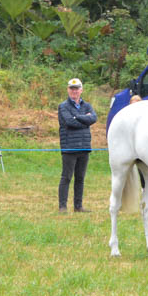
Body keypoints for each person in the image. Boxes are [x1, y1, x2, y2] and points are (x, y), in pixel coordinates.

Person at [57, 77, 97, 212]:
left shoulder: (87, 105)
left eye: (76, 88)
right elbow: (69, 122)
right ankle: (63, 206)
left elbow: (94, 118)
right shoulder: (63, 106)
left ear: (81, 90)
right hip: (69, 147)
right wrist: (85, 120)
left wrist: (78, 117)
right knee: (66, 177)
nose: (74, 91)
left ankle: (78, 206)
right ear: (68, 90)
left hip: (84, 146)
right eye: (71, 88)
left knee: (80, 178)